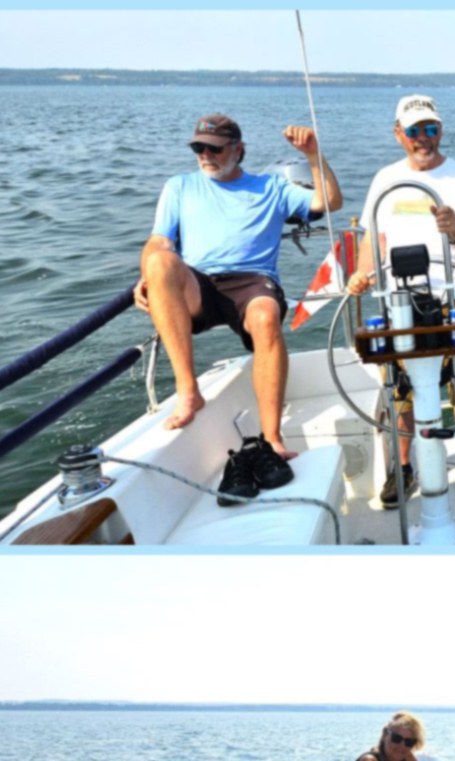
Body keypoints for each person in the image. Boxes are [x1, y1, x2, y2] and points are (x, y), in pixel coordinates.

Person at [136, 115, 344, 493]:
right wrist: (147, 276)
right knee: (159, 262)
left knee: (266, 315)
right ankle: (189, 392)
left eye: (214, 148)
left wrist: (314, 157)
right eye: (198, 147)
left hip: (253, 281)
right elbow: (158, 242)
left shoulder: (272, 187)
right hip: (200, 282)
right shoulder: (179, 187)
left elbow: (329, 202)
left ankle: (271, 437)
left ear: (239, 149)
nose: (205, 155)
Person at [346, 94, 455, 506]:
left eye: (431, 129)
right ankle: (404, 467)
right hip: (398, 302)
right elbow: (375, 239)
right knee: (399, 389)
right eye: (414, 131)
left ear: (440, 131)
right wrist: (362, 273)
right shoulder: (384, 179)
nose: (423, 139)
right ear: (398, 135)